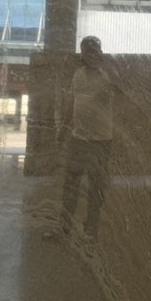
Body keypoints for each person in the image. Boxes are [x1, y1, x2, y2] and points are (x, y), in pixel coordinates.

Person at [59, 36, 116, 238]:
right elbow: (71, 102)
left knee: (95, 186)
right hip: (78, 138)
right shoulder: (78, 74)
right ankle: (64, 227)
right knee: (71, 184)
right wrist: (63, 129)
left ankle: (91, 228)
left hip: (101, 140)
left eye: (94, 50)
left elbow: (121, 96)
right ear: (82, 54)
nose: (91, 54)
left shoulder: (108, 74)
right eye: (87, 50)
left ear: (100, 52)